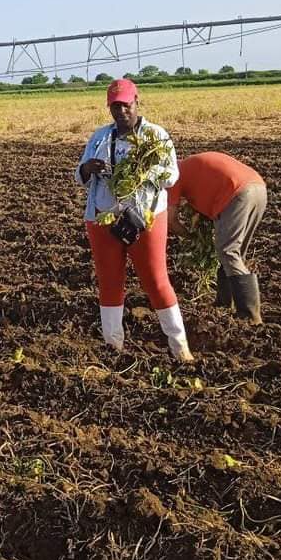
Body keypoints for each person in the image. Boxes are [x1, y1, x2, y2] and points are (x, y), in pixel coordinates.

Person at [75, 78, 193, 361]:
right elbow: (79, 176)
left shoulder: (156, 136)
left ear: (136, 101)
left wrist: (144, 172)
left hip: (145, 219)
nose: (121, 112)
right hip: (103, 219)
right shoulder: (100, 137)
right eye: (115, 107)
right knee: (109, 281)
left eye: (125, 105)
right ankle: (113, 346)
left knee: (155, 280)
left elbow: (172, 176)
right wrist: (88, 168)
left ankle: (180, 348)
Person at [167, 152, 267, 323]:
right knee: (235, 253)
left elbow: (171, 220)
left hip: (237, 193)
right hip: (258, 188)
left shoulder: (173, 175)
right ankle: (224, 302)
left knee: (228, 251)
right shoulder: (190, 166)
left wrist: (189, 236)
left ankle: (250, 315)